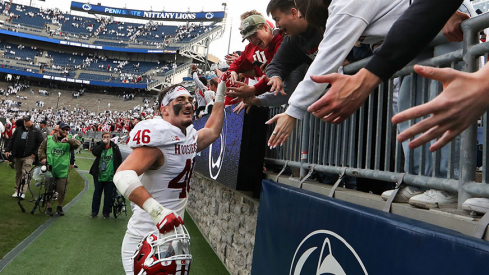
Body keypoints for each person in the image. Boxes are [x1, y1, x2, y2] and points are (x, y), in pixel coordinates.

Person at [114, 81, 227, 274]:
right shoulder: (159, 137)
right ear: (164, 109)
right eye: (180, 100)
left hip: (172, 238)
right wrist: (157, 211)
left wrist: (220, 98)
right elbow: (122, 175)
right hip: (145, 238)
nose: (189, 104)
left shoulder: (188, 136)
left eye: (190, 100)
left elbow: (213, 131)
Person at [266, 0, 409, 148]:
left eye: (300, 8)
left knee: (410, 133)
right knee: (410, 131)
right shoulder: (336, 11)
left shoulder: (344, 6)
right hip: (414, 52)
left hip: (421, 51)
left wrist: (293, 111)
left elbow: (326, 59)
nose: (300, 14)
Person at [38, 122, 81, 216]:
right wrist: (43, 158)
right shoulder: (49, 139)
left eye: (67, 130)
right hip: (50, 168)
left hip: (62, 169)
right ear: (59, 130)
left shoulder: (70, 140)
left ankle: (59, 206)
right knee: (48, 189)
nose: (65, 131)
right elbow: (41, 149)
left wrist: (69, 140)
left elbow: (78, 144)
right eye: (63, 129)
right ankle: (48, 207)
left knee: (62, 190)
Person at [5, 115, 43, 199]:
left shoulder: (36, 131)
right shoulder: (18, 130)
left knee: (25, 174)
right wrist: (8, 149)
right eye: (24, 120)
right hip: (18, 155)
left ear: (31, 121)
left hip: (28, 156)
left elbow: (40, 143)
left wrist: (34, 154)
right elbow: (12, 140)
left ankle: (22, 191)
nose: (25, 122)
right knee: (18, 173)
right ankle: (16, 190)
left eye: (27, 121)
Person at [89, 131, 122, 219]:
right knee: (97, 194)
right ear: (102, 138)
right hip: (99, 175)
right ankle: (94, 212)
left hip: (110, 175)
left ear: (110, 138)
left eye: (108, 137)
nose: (106, 138)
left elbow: (119, 160)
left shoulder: (114, 147)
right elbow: (95, 153)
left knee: (108, 196)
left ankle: (106, 213)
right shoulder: (99, 145)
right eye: (105, 137)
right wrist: (103, 145)